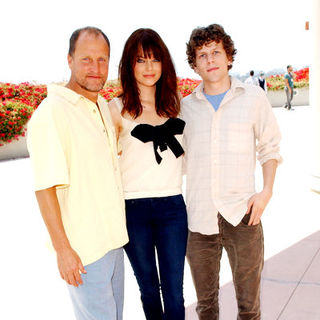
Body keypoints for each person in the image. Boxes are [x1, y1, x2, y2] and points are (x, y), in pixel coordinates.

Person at [181, 24, 282, 320]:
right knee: (206, 308)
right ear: (195, 64)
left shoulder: (253, 98)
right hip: (199, 221)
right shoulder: (185, 107)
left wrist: (266, 192)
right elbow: (178, 160)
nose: (210, 59)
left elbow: (270, 147)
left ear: (228, 57)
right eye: (202, 55)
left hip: (243, 217)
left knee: (249, 309)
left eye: (216, 52)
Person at [27, 27, 128, 320]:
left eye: (102, 60)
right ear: (69, 60)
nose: (95, 68)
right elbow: (45, 187)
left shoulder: (99, 107)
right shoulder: (52, 112)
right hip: (85, 252)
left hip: (113, 243)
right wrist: (64, 251)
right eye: (86, 59)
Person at [109, 28, 188, 320]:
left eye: (155, 59)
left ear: (164, 63)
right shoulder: (114, 108)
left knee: (175, 291)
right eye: (141, 60)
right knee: (149, 290)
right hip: (133, 210)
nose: (149, 67)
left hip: (172, 207)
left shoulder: (178, 103)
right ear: (130, 65)